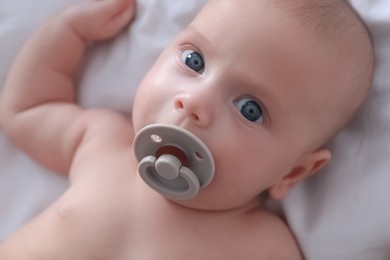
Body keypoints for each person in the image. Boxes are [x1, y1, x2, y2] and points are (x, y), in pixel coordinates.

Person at [0, 0, 374, 258]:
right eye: (194, 61)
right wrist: (66, 32)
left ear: (292, 172)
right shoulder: (103, 144)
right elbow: (27, 110)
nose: (194, 102)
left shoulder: (264, 247)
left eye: (250, 109)